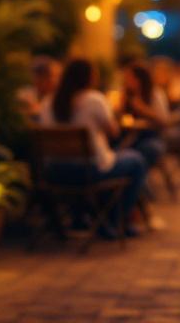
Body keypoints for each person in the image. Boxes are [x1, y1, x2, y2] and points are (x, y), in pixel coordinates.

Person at [44, 58, 147, 238]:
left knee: (113, 161)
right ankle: (116, 221)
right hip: (88, 172)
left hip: (55, 172)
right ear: (90, 78)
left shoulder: (48, 102)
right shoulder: (94, 100)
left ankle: (90, 219)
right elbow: (114, 132)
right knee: (136, 161)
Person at [120, 62, 170, 169]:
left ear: (139, 80)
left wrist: (144, 109)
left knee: (148, 149)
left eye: (129, 77)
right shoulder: (127, 95)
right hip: (130, 136)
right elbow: (121, 119)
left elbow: (165, 121)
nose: (126, 81)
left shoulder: (155, 94)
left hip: (152, 137)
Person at [19, 55, 58, 123]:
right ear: (40, 78)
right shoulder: (24, 95)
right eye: (54, 76)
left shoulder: (58, 97)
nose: (57, 80)